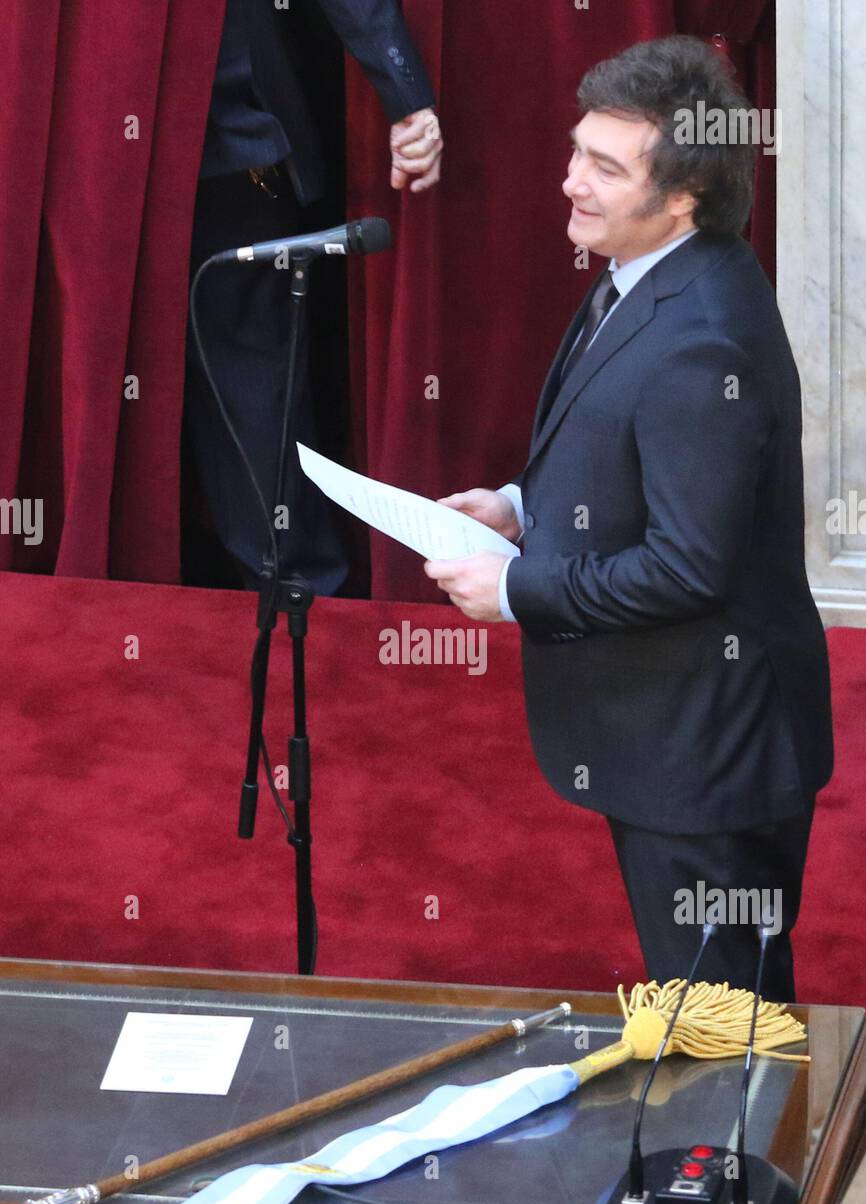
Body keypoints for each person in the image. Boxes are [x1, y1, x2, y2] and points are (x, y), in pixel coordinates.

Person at [426, 36, 833, 1002]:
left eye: (605, 167)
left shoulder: (703, 337)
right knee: (713, 1014)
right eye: (577, 153)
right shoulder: (650, 272)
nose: (571, 182)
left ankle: (729, 1162)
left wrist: (518, 589)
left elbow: (691, 568)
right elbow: (621, 449)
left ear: (684, 194)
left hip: (706, 749)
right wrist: (519, 507)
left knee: (723, 1022)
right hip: (681, 729)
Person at [184, 0, 442, 592]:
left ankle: (297, 597)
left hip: (226, 145)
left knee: (248, 384)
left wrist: (404, 91)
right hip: (125, 143)